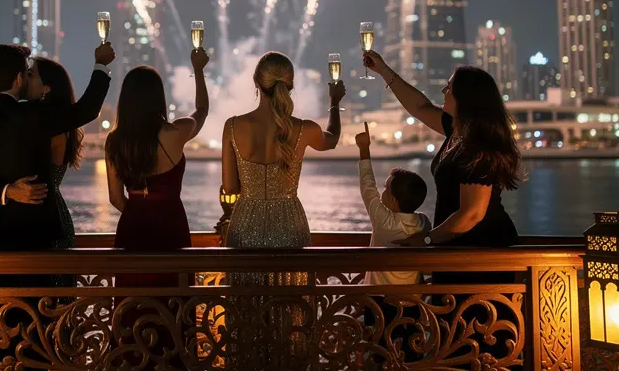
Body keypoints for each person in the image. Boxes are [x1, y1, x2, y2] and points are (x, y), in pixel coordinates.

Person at [363, 51, 522, 366]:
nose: (443, 92)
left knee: (481, 344)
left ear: (465, 98)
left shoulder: (477, 147)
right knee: (457, 340)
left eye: (449, 88)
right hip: (455, 252)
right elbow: (419, 106)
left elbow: (471, 214)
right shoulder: (457, 132)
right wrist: (384, 71)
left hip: (480, 256)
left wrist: (424, 241)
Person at [221, 51, 344, 368]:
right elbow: (332, 140)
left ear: (256, 83)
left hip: (245, 223)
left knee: (245, 311)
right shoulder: (302, 129)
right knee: (291, 313)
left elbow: (230, 187)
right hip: (289, 224)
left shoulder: (232, 127)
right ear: (289, 86)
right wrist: (334, 102)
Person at [0, 42, 114, 275]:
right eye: (26, 73)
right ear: (18, 79)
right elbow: (87, 110)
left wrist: (3, 192)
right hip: (34, 240)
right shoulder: (34, 115)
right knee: (37, 307)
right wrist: (101, 65)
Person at [105, 49, 208, 370]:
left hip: (133, 228)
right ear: (157, 99)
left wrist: (138, 210)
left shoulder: (115, 142)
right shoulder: (174, 134)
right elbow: (202, 111)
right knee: (173, 305)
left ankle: (130, 360)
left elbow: (115, 198)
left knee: (132, 305)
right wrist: (198, 70)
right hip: (170, 226)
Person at [354, 122, 430, 363]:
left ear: (394, 201)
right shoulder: (423, 223)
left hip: (379, 302)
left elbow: (367, 188)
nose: (381, 191)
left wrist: (364, 149)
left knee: (378, 353)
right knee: (408, 354)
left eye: (386, 189)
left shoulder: (385, 222)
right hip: (412, 303)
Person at [25, 57, 83, 287]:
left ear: (46, 88)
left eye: (31, 74)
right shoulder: (46, 122)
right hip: (46, 215)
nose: (24, 78)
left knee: (51, 299)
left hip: (49, 221)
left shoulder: (54, 128)